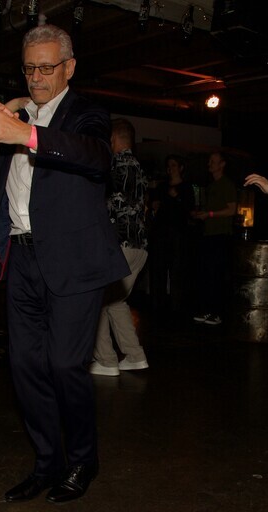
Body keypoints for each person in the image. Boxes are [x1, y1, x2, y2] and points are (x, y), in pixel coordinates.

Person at [0, 24, 129, 504]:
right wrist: (7, 120)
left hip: (74, 261)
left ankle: (82, 461)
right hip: (22, 256)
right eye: (29, 68)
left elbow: (96, 157)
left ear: (69, 67)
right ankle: (46, 463)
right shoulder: (17, 116)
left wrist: (26, 133)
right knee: (23, 366)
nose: (36, 77)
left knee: (64, 364)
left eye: (46, 67)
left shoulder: (86, 114)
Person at [89, 118, 150, 376]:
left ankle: (106, 360)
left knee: (97, 301)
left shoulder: (112, 165)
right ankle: (135, 356)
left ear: (113, 138)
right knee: (116, 301)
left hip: (118, 245)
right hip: (139, 247)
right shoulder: (141, 169)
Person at [191, 151, 237, 326]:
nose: (209, 163)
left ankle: (217, 313)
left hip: (221, 235)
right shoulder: (211, 186)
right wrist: (200, 214)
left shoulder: (227, 185)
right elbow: (211, 210)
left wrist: (210, 214)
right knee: (206, 273)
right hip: (208, 234)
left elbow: (232, 210)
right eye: (209, 161)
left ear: (222, 164)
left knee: (217, 274)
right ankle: (207, 310)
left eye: (213, 161)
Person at [148, 154, 195, 319]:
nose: (170, 168)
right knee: (158, 269)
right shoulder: (162, 187)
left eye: (174, 165)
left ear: (181, 168)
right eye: (168, 166)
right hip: (160, 232)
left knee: (177, 269)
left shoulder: (186, 187)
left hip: (177, 234)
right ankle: (157, 305)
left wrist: (178, 198)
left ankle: (177, 307)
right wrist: (153, 205)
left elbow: (190, 210)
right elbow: (153, 204)